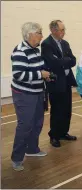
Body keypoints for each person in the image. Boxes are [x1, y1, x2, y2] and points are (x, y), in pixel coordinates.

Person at [10, 22, 50, 171]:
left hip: (37, 92)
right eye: (39, 32)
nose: (42, 35)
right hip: (24, 94)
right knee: (25, 125)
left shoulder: (34, 50)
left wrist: (45, 75)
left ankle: (32, 149)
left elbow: (36, 69)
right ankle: (17, 158)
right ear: (31, 35)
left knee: (37, 123)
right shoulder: (20, 51)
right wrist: (40, 74)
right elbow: (19, 75)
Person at [41, 20, 77, 148]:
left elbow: (73, 60)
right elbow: (52, 62)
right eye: (61, 30)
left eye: (64, 29)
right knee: (57, 110)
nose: (63, 32)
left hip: (66, 81)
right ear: (53, 30)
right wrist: (64, 60)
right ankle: (54, 135)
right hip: (55, 82)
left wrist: (63, 60)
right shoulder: (46, 44)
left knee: (67, 109)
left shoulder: (65, 43)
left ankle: (63, 132)